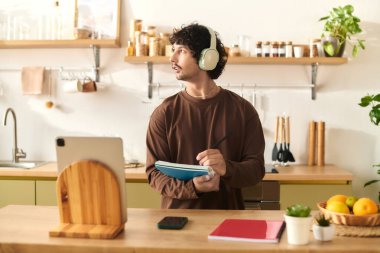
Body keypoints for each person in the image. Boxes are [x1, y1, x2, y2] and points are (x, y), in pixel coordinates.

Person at [146, 23, 265, 209]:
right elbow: (153, 173)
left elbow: (256, 170)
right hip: (176, 223)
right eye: (173, 50)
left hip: (228, 222)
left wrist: (227, 167)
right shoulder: (164, 113)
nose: (172, 58)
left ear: (206, 58)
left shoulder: (243, 111)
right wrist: (191, 187)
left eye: (182, 51)